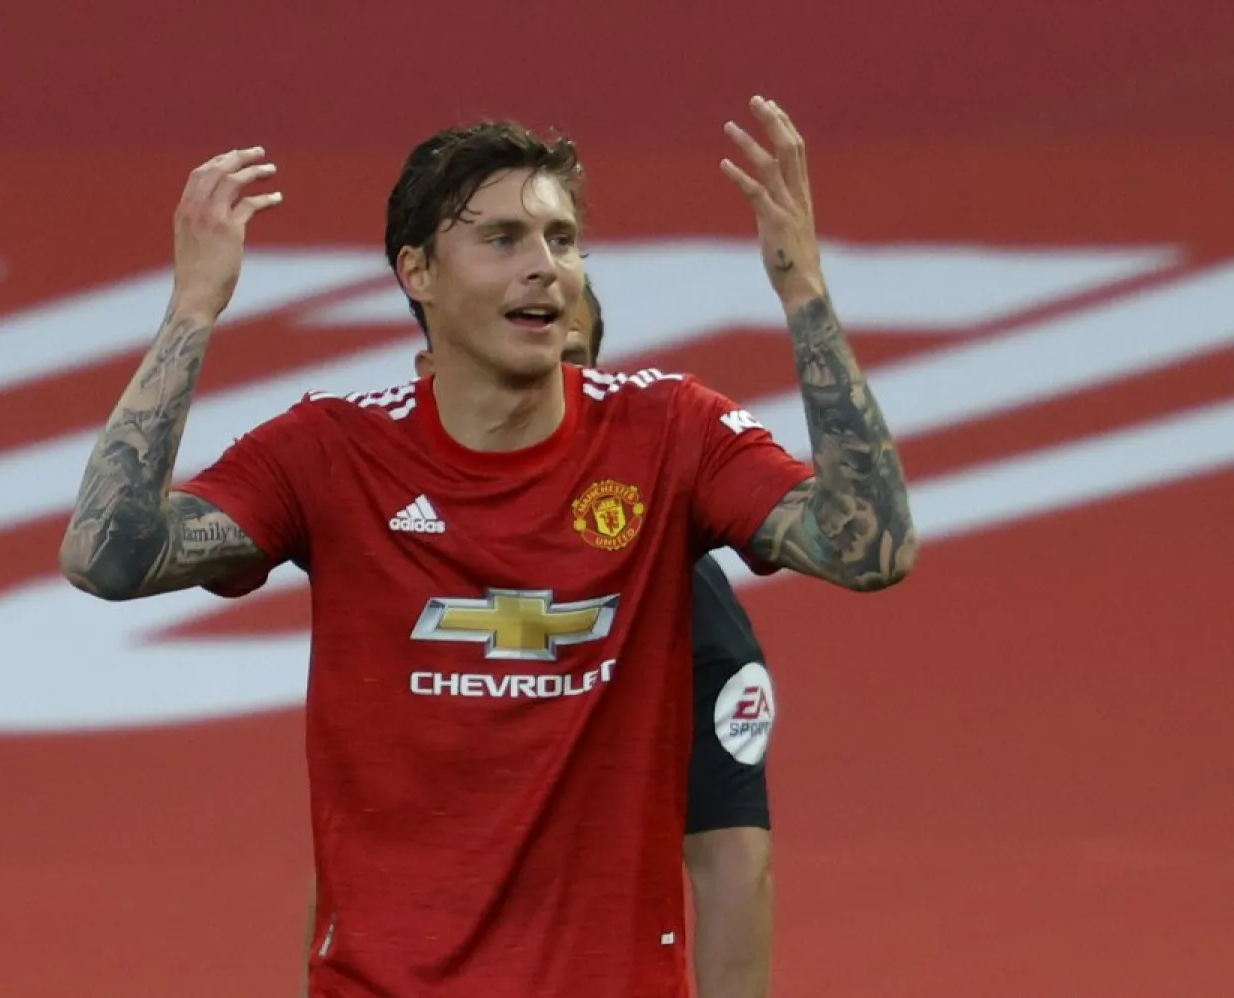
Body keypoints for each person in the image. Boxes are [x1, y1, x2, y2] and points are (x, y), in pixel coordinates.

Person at [59, 97, 917, 997]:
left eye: (563, 239)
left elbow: (870, 550)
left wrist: (803, 290)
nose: (545, 267)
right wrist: (193, 309)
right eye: (503, 240)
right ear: (418, 272)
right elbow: (108, 557)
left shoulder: (670, 434)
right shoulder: (329, 452)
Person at [411, 279, 780, 998]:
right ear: (428, 375)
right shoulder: (398, 564)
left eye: (571, 361)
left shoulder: (686, 610)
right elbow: (360, 854)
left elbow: (735, 866)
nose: (545, 382)